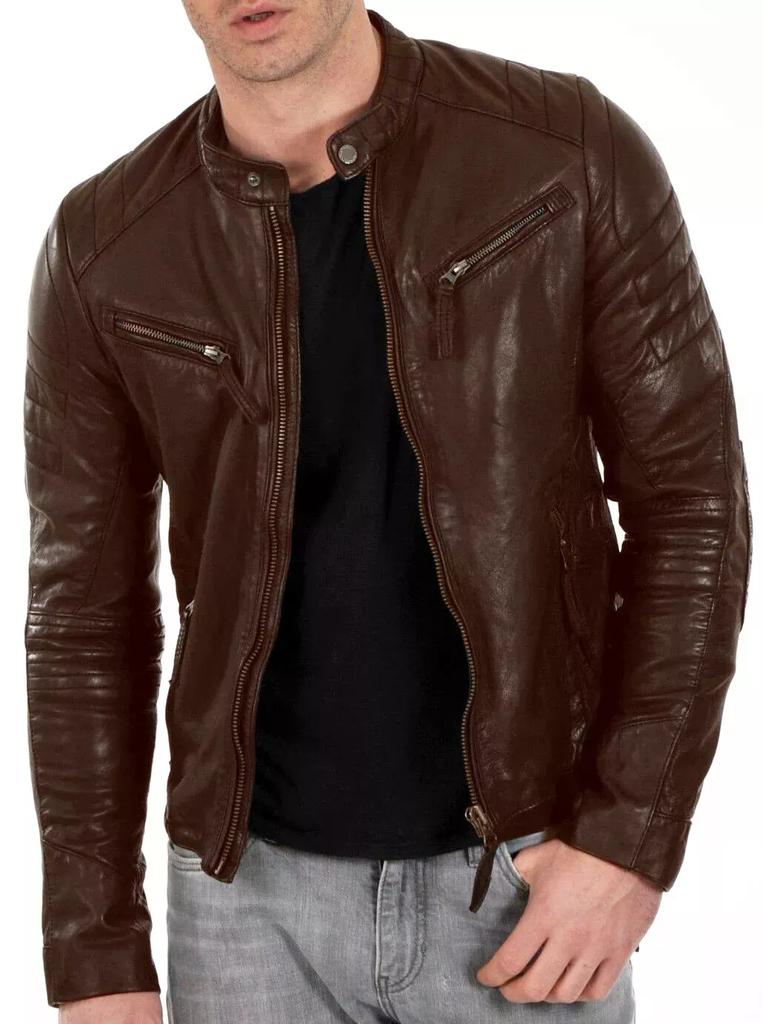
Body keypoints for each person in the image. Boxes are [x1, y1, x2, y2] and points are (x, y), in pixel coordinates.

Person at [23, 3, 751, 1022]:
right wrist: (95, 956)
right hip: (241, 907)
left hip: (525, 883)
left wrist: (630, 839)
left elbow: (693, 505)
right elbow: (82, 615)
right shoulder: (107, 244)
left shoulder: (564, 153)